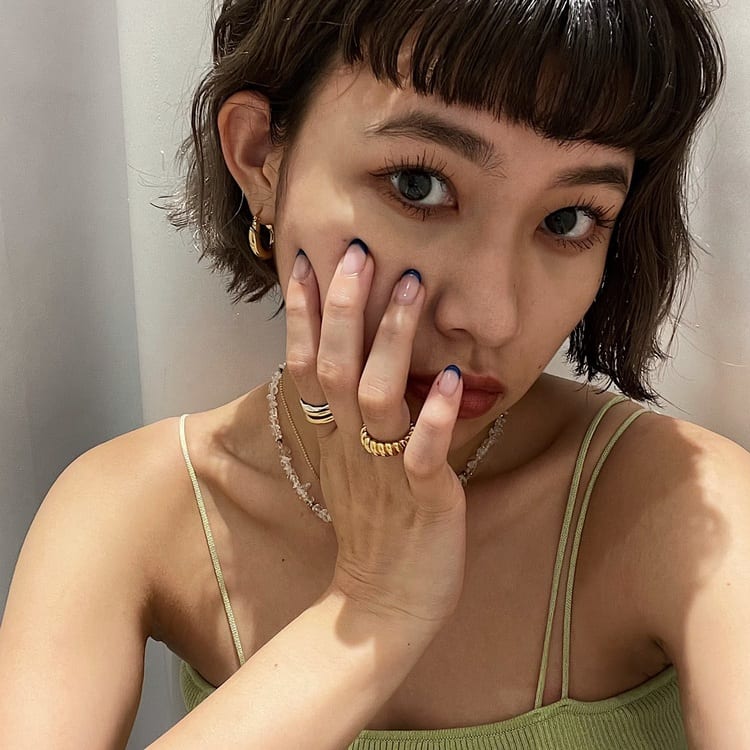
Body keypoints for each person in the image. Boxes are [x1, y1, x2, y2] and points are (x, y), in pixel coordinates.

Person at [1, 0, 748, 748]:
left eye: (568, 220)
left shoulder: (686, 506)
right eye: (418, 185)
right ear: (259, 157)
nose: (491, 317)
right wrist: (373, 608)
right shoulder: (133, 511)